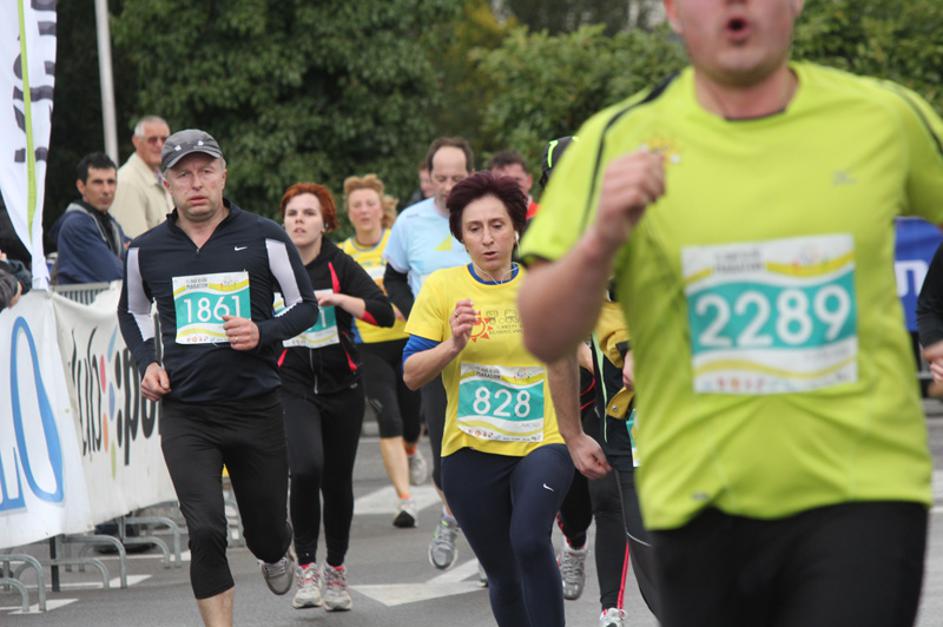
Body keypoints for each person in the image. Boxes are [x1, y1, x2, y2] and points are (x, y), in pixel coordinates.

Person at [517, 1, 943, 625]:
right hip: (700, 499)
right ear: (673, 10)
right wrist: (601, 238)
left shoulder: (882, 116)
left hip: (863, 491)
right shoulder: (616, 141)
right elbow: (543, 330)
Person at [117, 129, 318, 627]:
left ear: (223, 175)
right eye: (183, 174)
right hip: (187, 413)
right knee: (205, 531)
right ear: (167, 183)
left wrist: (264, 331)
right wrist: (148, 363)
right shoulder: (145, 250)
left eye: (206, 171)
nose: (196, 183)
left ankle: (275, 550)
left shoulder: (265, 236)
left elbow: (305, 306)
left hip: (256, 408)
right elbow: (133, 312)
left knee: (266, 533)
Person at [403, 171, 575, 626]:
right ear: (460, 236)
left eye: (497, 225)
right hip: (470, 450)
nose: (487, 238)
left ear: (516, 228)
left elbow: (576, 353)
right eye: (474, 228)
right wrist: (453, 345)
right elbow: (412, 374)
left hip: (542, 441)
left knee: (530, 541)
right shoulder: (441, 288)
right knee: (503, 576)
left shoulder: (544, 284)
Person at [276, 182, 394, 612]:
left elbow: (383, 313)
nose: (300, 221)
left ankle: (337, 569)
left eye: (309, 214)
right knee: (306, 469)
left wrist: (340, 300)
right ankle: (306, 567)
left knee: (337, 481)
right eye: (292, 214)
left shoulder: (338, 263)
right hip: (292, 385)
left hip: (342, 387)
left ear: (325, 223)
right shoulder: (273, 265)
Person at [384, 136, 472, 569]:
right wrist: (418, 312)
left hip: (489, 348)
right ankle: (451, 515)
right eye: (441, 178)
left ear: (470, 175)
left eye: (457, 177)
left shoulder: (482, 216)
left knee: (493, 448)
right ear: (428, 177)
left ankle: (490, 544)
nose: (449, 186)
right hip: (436, 348)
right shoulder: (410, 221)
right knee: (443, 451)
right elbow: (393, 276)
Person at [340, 174, 429, 527]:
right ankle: (405, 501)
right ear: (349, 213)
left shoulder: (398, 243)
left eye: (370, 204)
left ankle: (411, 449)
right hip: (369, 347)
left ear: (382, 208)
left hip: (409, 342)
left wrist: (406, 307)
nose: (364, 211)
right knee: (388, 418)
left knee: (411, 419)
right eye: (357, 206)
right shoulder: (343, 253)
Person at [51, 153, 127, 284]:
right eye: (98, 182)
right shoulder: (76, 225)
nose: (106, 190)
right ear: (81, 186)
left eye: (111, 182)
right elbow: (115, 274)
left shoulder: (109, 222)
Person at [111, 115, 174, 238]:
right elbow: (133, 243)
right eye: (152, 140)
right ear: (136, 141)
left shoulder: (159, 178)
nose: (159, 145)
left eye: (164, 139)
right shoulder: (127, 182)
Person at [488, 150, 539, 219]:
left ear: (529, 181)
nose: (510, 186)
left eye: (517, 179)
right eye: (502, 181)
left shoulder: (546, 215)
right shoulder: (480, 218)